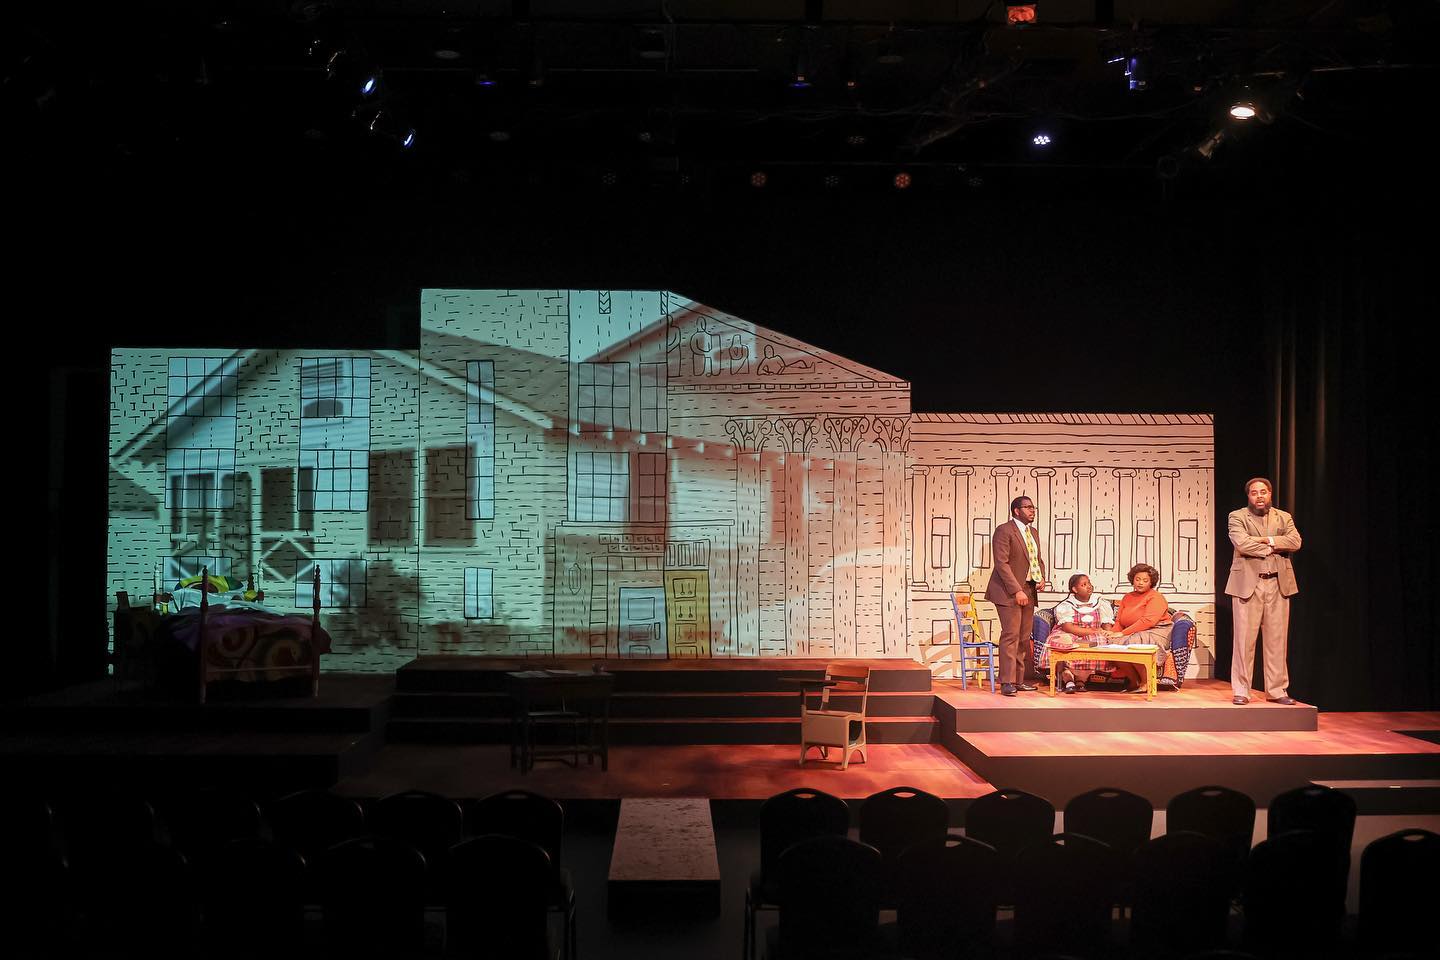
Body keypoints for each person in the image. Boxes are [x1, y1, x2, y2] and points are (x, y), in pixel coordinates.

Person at [1225, 477, 1302, 705]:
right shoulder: (1237, 516)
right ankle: (1241, 690)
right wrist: (1274, 546)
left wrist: (1265, 540)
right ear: (1248, 496)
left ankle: (1277, 691)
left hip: (1278, 583)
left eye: (1263, 492)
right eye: (1254, 493)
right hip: (1248, 584)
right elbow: (1241, 543)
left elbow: (1295, 542)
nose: (1259, 496)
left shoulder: (1283, 517)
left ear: (1270, 494)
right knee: (1244, 641)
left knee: (1277, 641)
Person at [984, 495, 1050, 697]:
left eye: (1033, 507)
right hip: (1008, 592)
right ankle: (1007, 681)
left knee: (1023, 637)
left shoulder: (1033, 532)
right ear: (1016, 510)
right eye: (1028, 507)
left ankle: (1019, 680)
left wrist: (1041, 577)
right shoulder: (1004, 530)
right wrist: (1016, 590)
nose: (1032, 510)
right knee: (1011, 635)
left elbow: (1036, 559)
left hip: (1028, 589)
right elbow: (1001, 563)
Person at [1036, 573, 1115, 694]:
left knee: (1099, 641)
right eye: (1084, 585)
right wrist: (1093, 631)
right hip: (1072, 632)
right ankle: (1068, 680)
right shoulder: (1067, 605)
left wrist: (1107, 633)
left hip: (1092, 634)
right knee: (1061, 641)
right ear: (1075, 589)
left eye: (1089, 583)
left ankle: (1081, 680)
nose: (1088, 586)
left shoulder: (1100, 602)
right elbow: (1068, 627)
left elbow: (1106, 624)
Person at [1106, 563, 1174, 691]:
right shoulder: (1127, 597)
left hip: (1156, 630)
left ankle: (1146, 682)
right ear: (1132, 580)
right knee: (1112, 645)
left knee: (1134, 642)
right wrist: (1112, 633)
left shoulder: (1156, 597)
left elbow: (1148, 621)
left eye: (1145, 580)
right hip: (1132, 631)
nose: (1140, 583)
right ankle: (1134, 681)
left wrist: (1123, 633)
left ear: (1151, 582)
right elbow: (1120, 621)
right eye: (1137, 579)